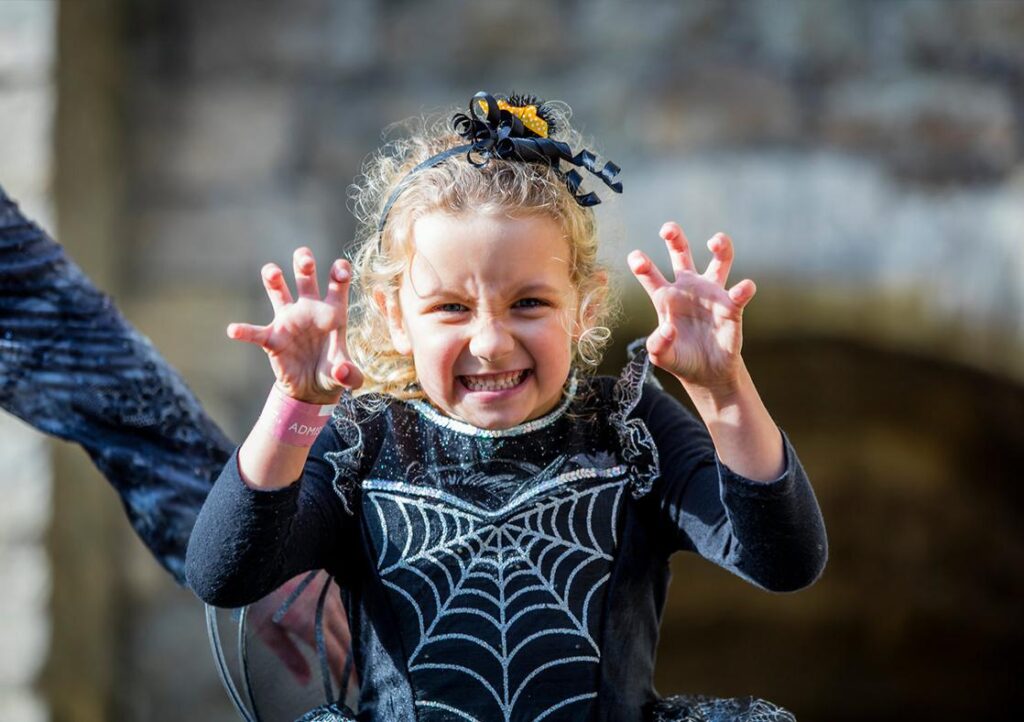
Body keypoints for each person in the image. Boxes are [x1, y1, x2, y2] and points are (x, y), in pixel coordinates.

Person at [185, 91, 827, 722]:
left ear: (587, 307)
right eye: (451, 308)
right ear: (395, 318)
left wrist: (722, 386)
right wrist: (295, 404)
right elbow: (224, 573)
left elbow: (784, 560)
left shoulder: (629, 430)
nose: (490, 343)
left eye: (529, 303)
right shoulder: (365, 444)